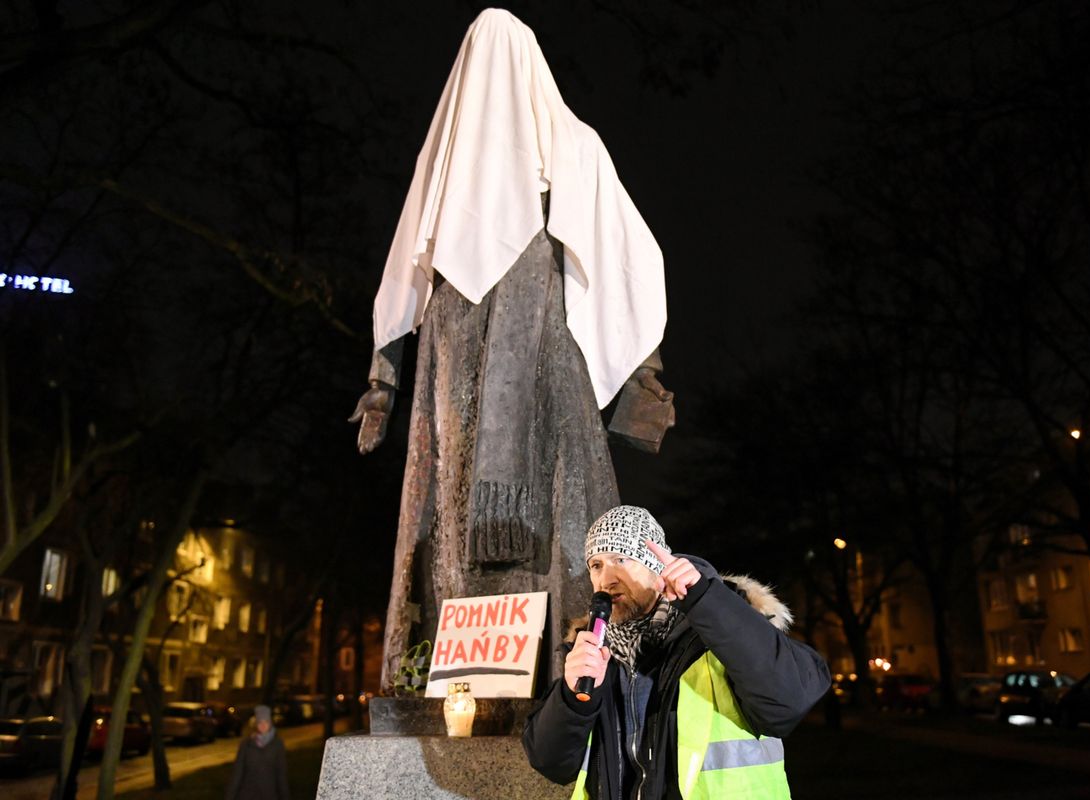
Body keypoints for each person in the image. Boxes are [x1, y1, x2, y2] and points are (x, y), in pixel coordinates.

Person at [349, 8, 674, 690]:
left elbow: (627, 253)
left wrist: (382, 381)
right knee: (457, 506)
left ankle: (565, 672)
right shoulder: (446, 165)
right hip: (458, 369)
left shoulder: (566, 149)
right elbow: (400, 278)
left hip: (541, 375)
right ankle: (460, 672)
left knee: (546, 500)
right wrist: (381, 381)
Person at [523, 505, 831, 799]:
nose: (606, 579)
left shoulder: (715, 630)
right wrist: (571, 697)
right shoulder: (591, 650)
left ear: (656, 563)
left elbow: (789, 701)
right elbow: (550, 762)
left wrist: (706, 602)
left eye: (622, 559)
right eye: (596, 565)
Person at [225, 705, 289, 800]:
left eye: (266, 722)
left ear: (270, 723)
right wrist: (229, 797)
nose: (263, 725)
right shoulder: (246, 745)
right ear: (256, 724)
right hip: (247, 795)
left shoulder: (277, 745)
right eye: (260, 722)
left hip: (269, 795)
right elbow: (237, 774)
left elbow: (281, 776)